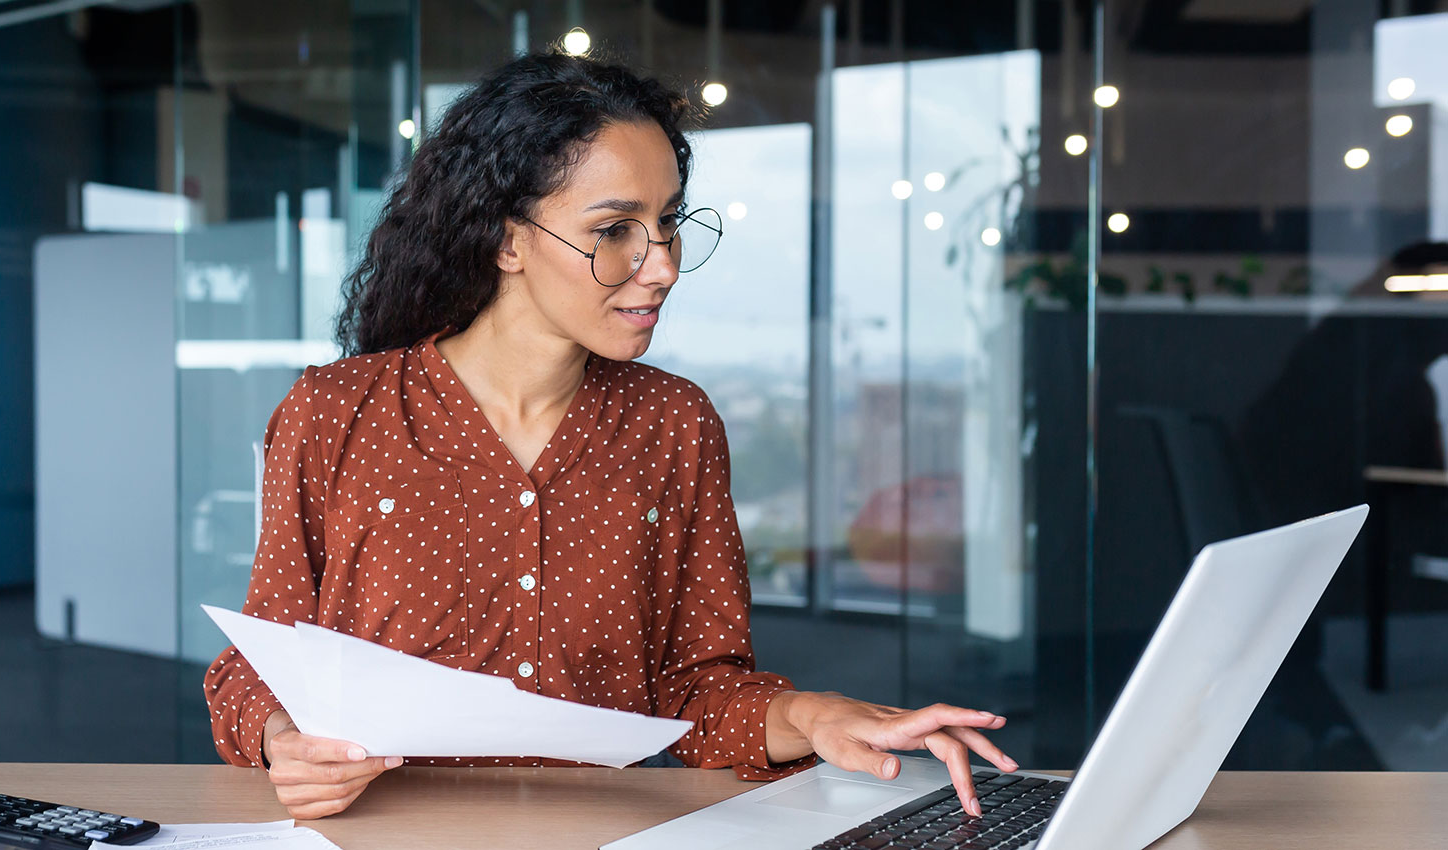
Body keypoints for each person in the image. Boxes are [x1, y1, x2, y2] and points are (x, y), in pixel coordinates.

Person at [203, 52, 1016, 820]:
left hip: (601, 834)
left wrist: (817, 715)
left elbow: (699, 697)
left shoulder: (673, 424)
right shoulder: (335, 412)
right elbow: (257, 666)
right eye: (614, 228)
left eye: (666, 223)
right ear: (505, 238)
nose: (659, 263)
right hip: (376, 832)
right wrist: (283, 740)